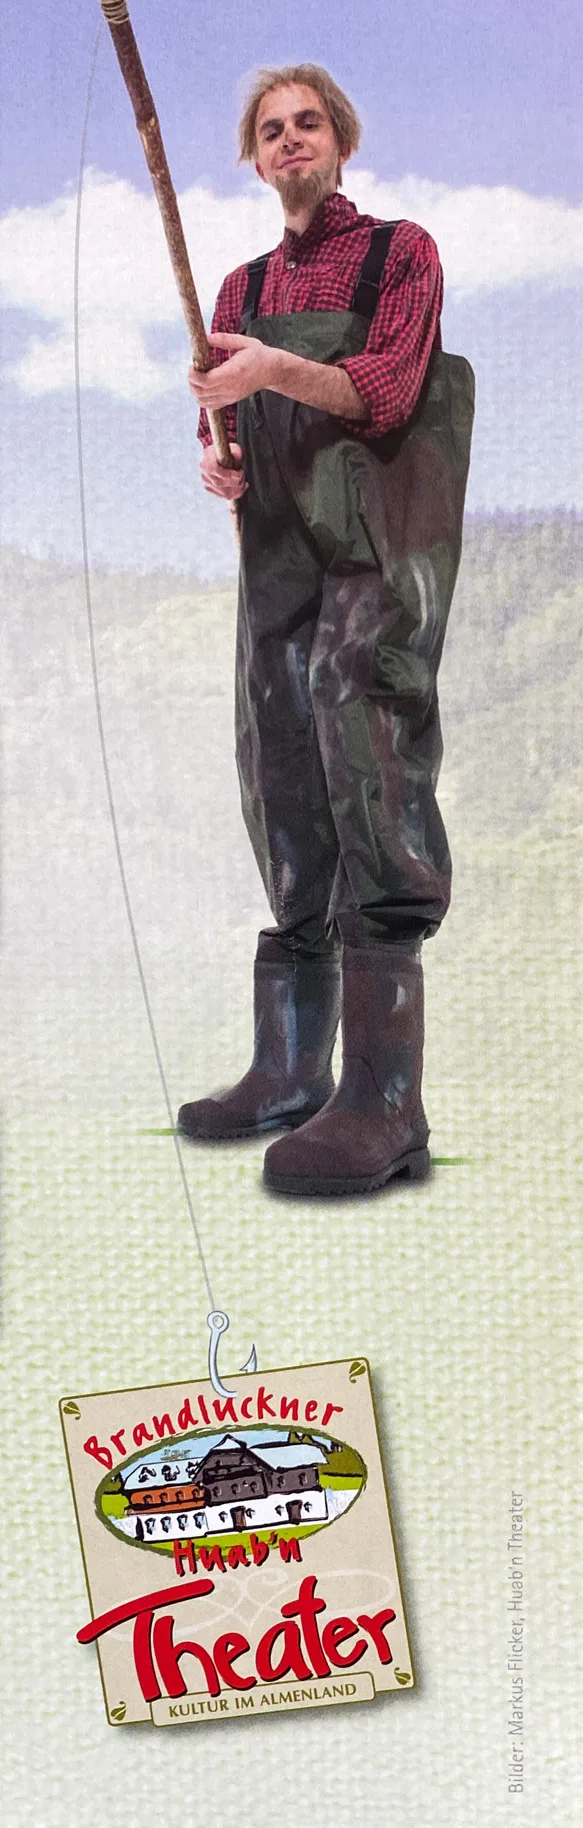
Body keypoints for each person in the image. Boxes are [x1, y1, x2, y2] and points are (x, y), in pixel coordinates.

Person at [178, 64, 474, 1195]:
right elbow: (231, 421)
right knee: (280, 756)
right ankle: (291, 1070)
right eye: (271, 129)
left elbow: (387, 391)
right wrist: (220, 452)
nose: (290, 139)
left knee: (364, 742)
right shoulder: (241, 286)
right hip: (280, 554)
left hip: (377, 547)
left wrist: (271, 371)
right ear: (255, 159)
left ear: (339, 140)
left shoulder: (402, 253)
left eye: (308, 123)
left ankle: (385, 1103)